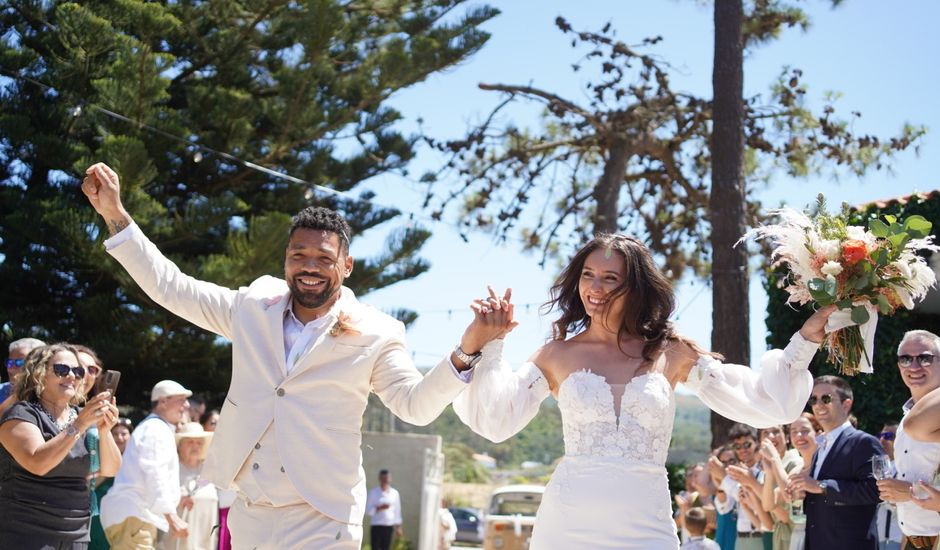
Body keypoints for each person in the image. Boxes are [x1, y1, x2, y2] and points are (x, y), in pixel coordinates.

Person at [81, 162, 472, 549]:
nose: (309, 267)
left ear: (347, 265)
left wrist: (465, 351)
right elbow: (173, 288)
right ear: (285, 257)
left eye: (324, 258)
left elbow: (415, 407)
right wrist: (116, 216)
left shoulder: (377, 332)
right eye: (298, 255)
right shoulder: (253, 306)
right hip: (252, 512)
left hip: (324, 517)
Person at [452, 233, 834, 549]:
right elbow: (496, 415)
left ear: (635, 287)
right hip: (567, 524)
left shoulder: (672, 351)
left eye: (610, 278)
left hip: (647, 523)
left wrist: (806, 341)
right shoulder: (556, 354)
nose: (595, 288)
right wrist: (486, 343)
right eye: (588, 275)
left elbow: (759, 399)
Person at [0, 343, 121, 548]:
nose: (72, 376)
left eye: (78, 371)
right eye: (62, 369)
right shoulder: (21, 414)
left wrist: (104, 430)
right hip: (26, 534)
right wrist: (80, 424)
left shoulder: (79, 416)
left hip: (76, 536)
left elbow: (110, 469)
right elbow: (37, 463)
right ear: (39, 374)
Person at [786, 376, 884, 550]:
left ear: (846, 404)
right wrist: (802, 492)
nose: (818, 405)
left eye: (826, 399)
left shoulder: (864, 442)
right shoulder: (821, 446)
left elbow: (876, 491)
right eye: (813, 400)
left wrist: (821, 486)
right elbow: (823, 498)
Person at [100, 380, 193, 549]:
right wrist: (172, 517)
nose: (186, 405)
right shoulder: (155, 429)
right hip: (134, 516)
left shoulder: (155, 428)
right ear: (163, 402)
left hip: (135, 517)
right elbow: (154, 472)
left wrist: (177, 496)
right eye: (181, 399)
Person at [876, 331, 940, 550]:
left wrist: (910, 492)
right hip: (912, 541)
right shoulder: (905, 418)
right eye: (905, 359)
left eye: (925, 358)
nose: (914, 366)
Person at [157, 422, 217, 550]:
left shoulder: (210, 471)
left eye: (199, 442)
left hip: (205, 541)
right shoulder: (170, 470)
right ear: (180, 445)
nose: (195, 446)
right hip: (174, 541)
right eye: (190, 442)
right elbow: (156, 497)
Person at [90, 418, 134, 550]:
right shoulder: (96, 456)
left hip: (126, 519)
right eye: (115, 434)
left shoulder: (137, 461)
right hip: (99, 518)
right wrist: (110, 467)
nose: (119, 438)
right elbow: (89, 486)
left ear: (131, 436)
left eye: (124, 434)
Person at [0, 337, 46, 416]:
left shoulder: (51, 394)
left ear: (39, 365)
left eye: (20, 362)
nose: (11, 368)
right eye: (10, 362)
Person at [365, 469, 403, 550]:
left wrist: (398, 527)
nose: (385, 481)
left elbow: (397, 511)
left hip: (388, 526)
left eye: (387, 478)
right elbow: (367, 510)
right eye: (383, 478)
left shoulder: (394, 493)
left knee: (385, 548)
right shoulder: (373, 492)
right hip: (376, 525)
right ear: (379, 479)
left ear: (390, 479)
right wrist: (379, 508)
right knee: (375, 547)